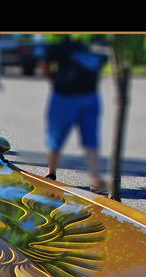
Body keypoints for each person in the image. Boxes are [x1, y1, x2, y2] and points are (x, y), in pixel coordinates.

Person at [42, 36, 108, 194]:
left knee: (91, 138)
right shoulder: (62, 40)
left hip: (90, 96)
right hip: (64, 96)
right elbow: (45, 65)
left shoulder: (96, 40)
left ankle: (95, 180)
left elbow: (103, 60)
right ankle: (51, 173)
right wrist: (57, 83)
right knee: (56, 137)